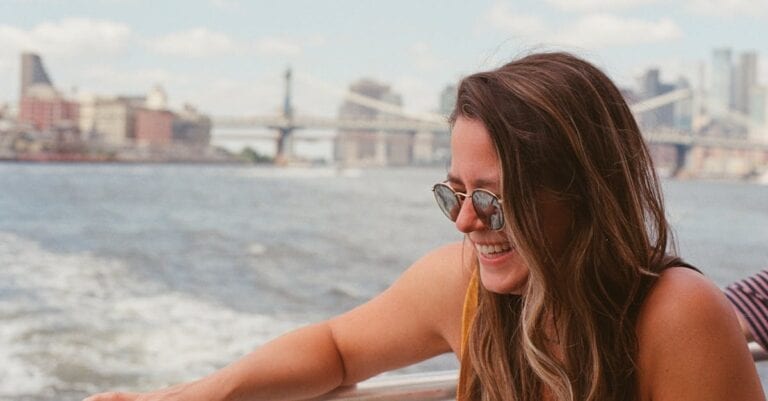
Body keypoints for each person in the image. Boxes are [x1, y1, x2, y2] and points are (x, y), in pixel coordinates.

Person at [85, 52, 764, 401]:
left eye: (494, 200)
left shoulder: (677, 319)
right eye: (454, 193)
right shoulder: (464, 286)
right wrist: (196, 394)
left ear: (583, 196)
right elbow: (337, 348)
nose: (467, 222)